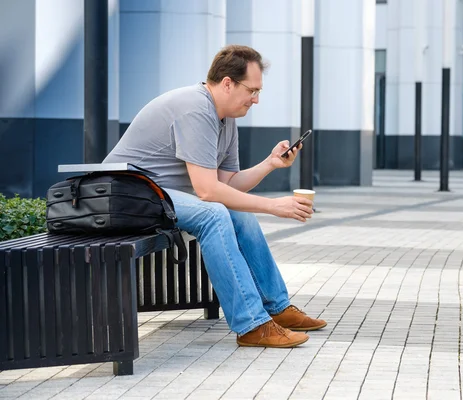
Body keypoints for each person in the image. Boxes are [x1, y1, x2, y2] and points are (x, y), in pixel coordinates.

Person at [104, 45, 326, 348]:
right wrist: (274, 206)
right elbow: (208, 192)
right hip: (128, 195)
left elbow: (227, 184)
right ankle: (251, 325)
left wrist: (270, 164)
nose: (256, 99)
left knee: (238, 213)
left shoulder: (226, 117)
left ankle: (277, 307)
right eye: (252, 90)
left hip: (159, 196)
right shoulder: (195, 108)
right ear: (227, 83)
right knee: (214, 213)